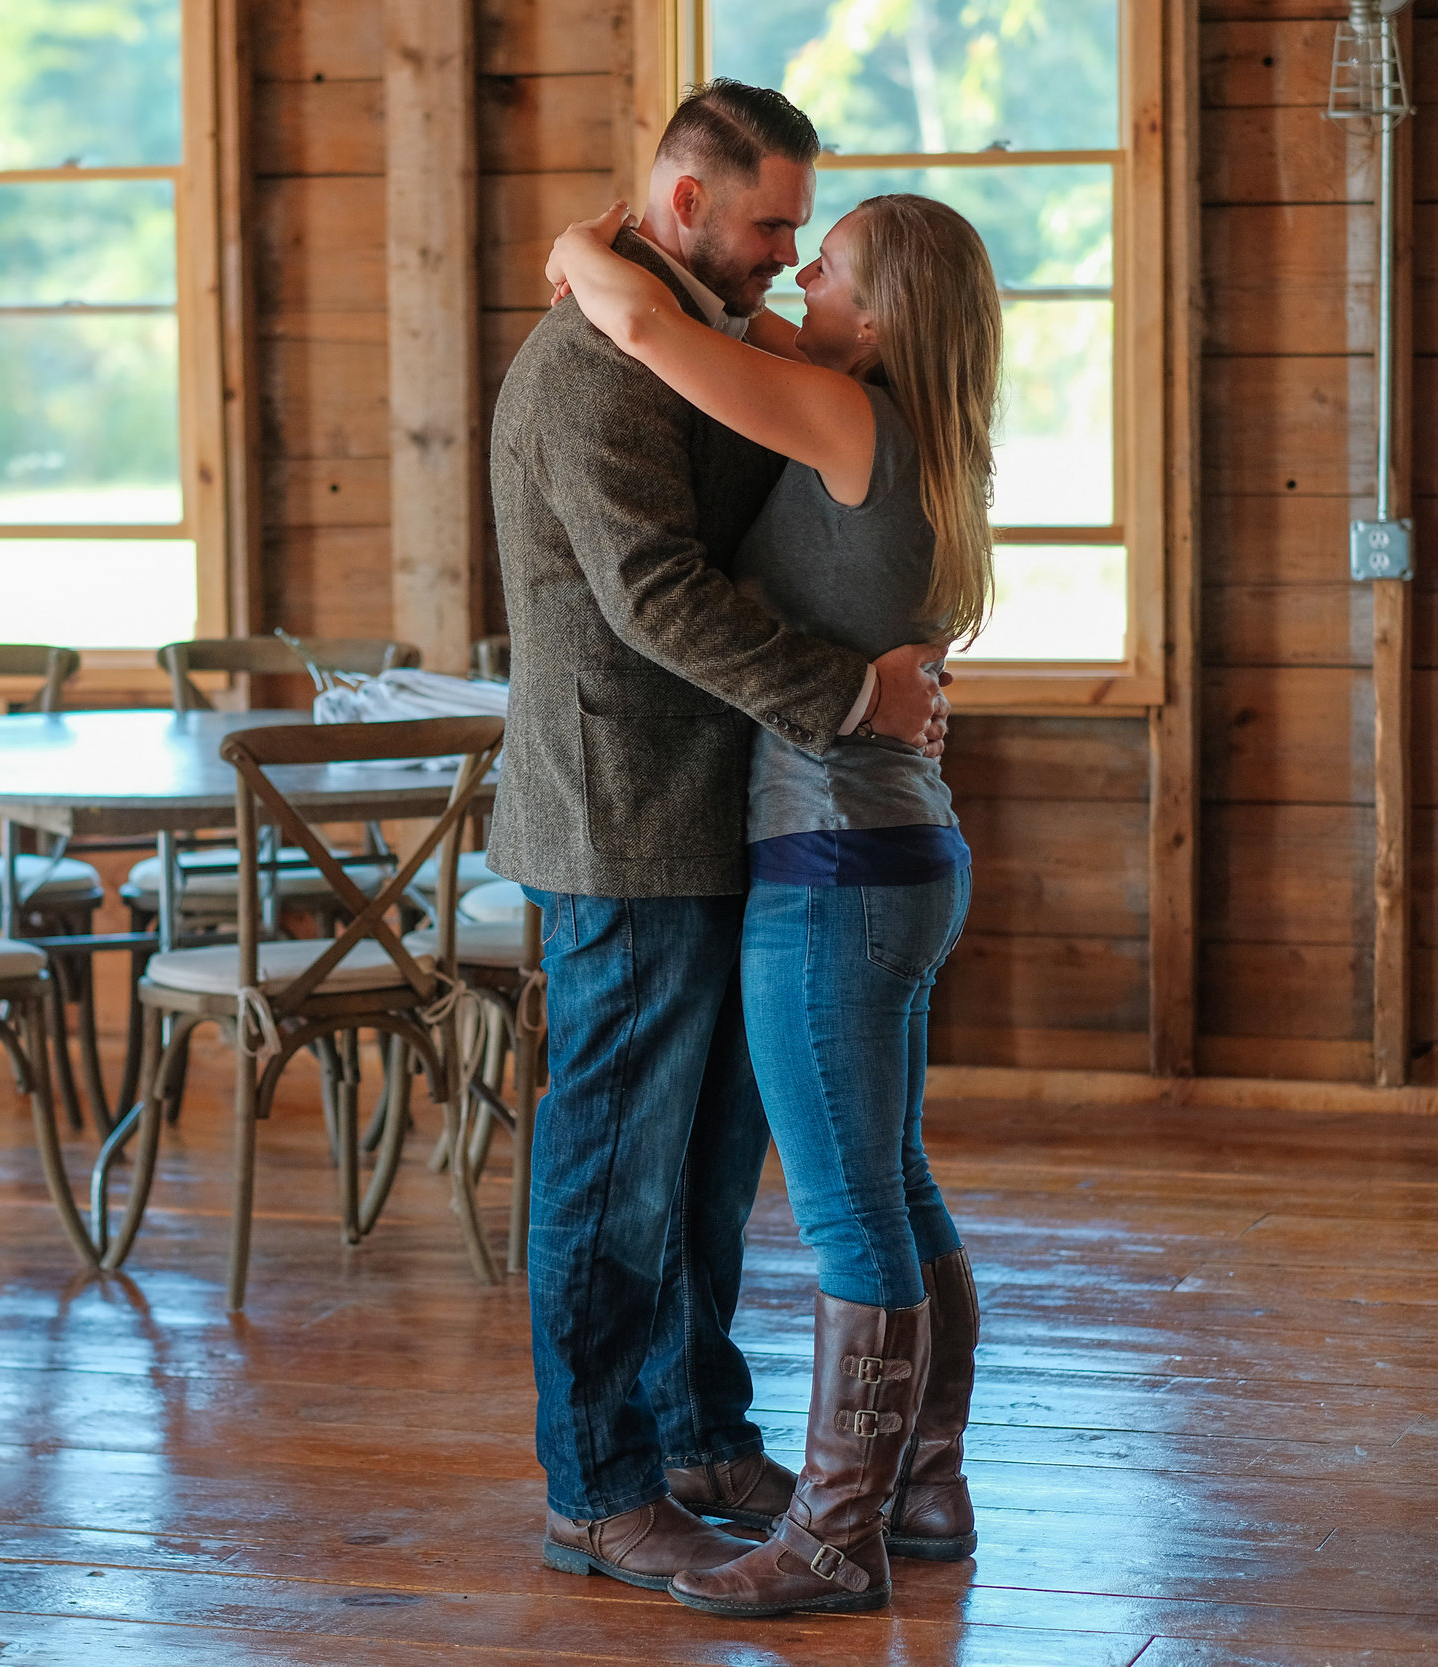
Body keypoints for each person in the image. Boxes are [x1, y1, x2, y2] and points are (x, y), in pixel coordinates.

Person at [484, 79, 950, 1593]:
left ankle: (695, 1433)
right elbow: (655, 601)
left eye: (803, 236)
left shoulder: (704, 340)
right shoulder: (596, 370)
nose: (782, 255)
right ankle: (598, 1488)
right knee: (613, 1168)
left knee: (701, 1173)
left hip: (730, 818)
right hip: (624, 818)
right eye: (768, 227)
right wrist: (852, 696)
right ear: (687, 209)